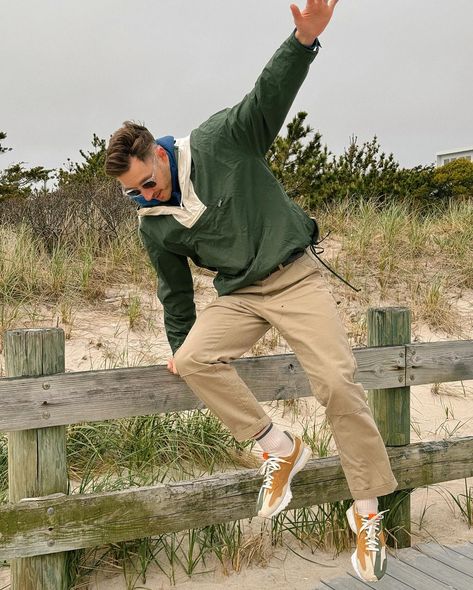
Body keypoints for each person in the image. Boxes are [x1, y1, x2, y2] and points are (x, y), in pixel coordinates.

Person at [105, 0, 397, 582]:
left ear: (158, 155)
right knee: (191, 358)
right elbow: (175, 292)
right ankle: (276, 446)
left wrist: (304, 38)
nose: (144, 196)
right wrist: (181, 349)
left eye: (147, 183)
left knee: (338, 383)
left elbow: (269, 94)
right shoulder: (151, 221)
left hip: (294, 276)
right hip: (240, 295)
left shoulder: (220, 140)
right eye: (132, 193)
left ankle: (366, 514)